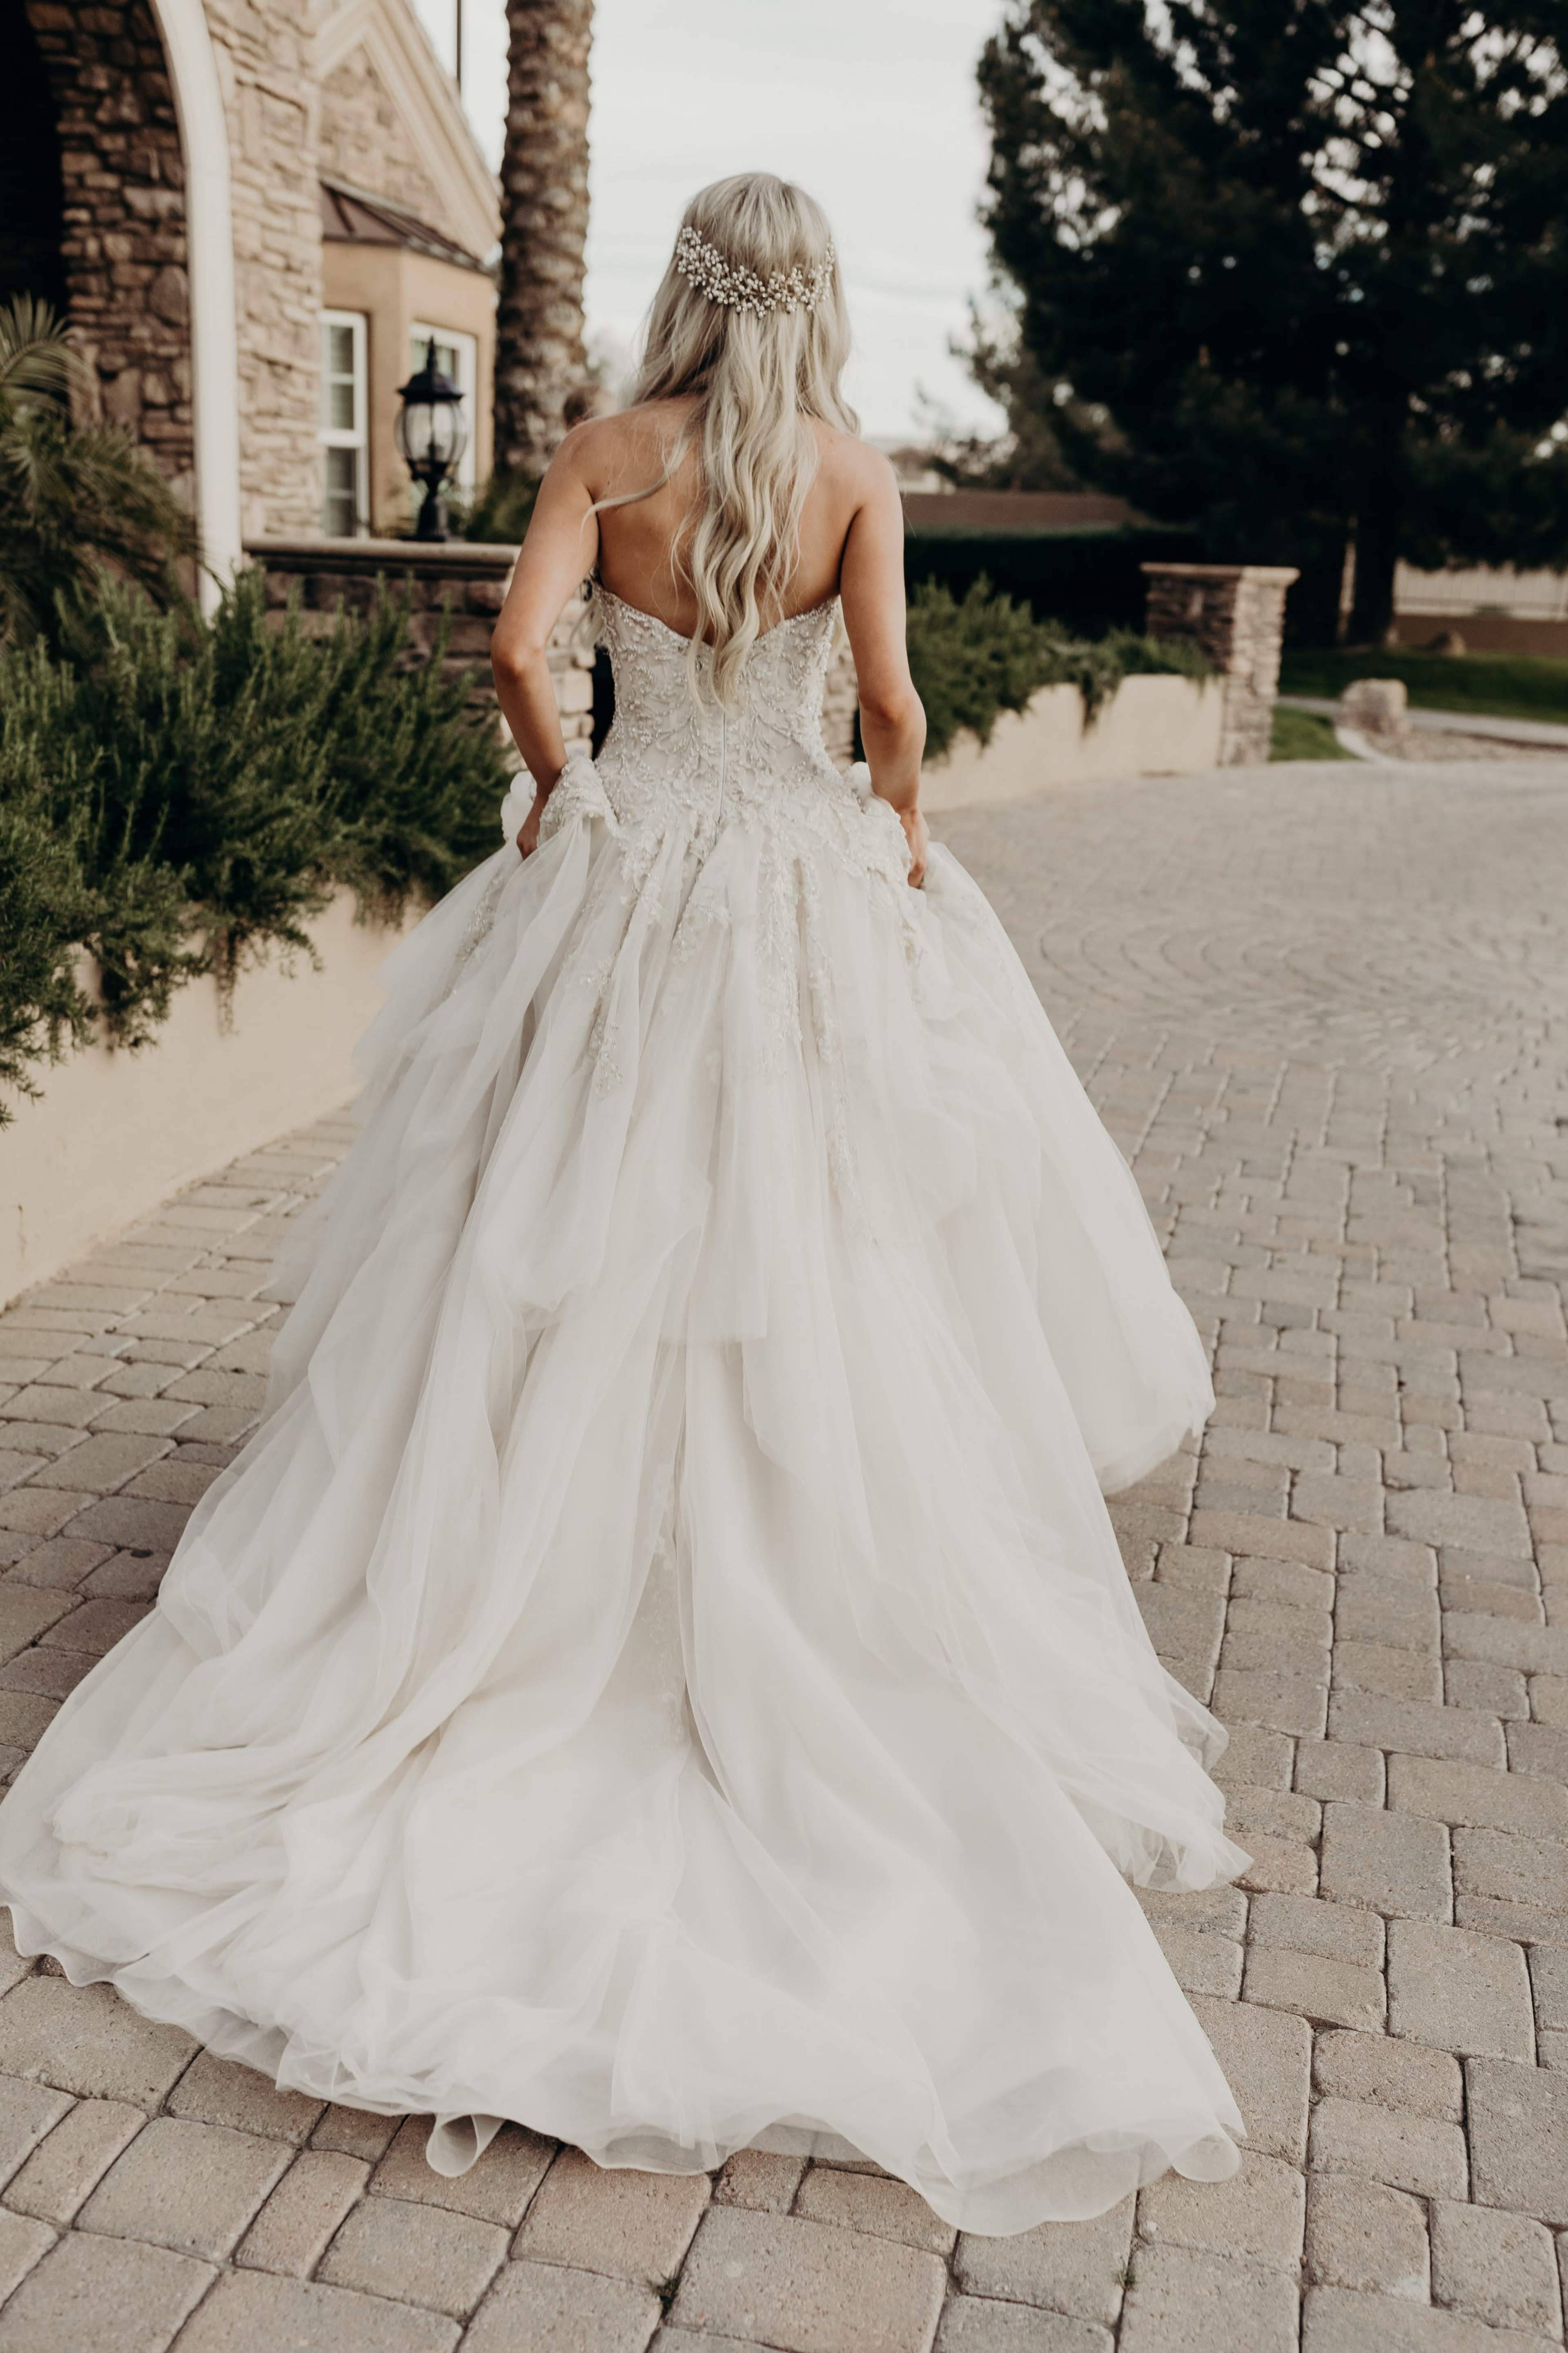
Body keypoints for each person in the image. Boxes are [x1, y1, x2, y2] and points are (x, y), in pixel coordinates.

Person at [0, 174, 1246, 2234]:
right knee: (813, 1241)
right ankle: (784, 1578)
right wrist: (901, 832)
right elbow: (897, 708)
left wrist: (575, 792)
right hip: (788, 896)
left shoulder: (602, 453)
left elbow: (513, 647)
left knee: (547, 1226)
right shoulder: (851, 473)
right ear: (822, 299)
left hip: (628, 869)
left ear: (681, 288)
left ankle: (508, 1584)